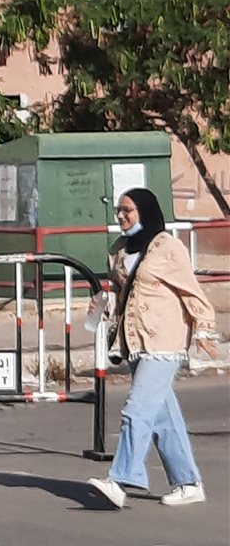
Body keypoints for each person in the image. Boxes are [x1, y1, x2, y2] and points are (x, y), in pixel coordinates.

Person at [88, 187, 218, 509]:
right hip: (135, 341)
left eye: (128, 210)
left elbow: (192, 292)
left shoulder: (167, 247)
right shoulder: (119, 249)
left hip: (164, 341)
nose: (121, 216)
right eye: (119, 210)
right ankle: (189, 483)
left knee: (137, 410)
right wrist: (104, 305)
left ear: (144, 211)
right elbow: (122, 292)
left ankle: (121, 479)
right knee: (163, 416)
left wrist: (204, 329)